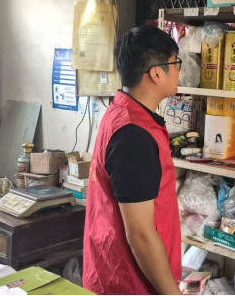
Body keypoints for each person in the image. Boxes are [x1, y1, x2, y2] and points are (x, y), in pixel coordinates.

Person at [83, 25, 183, 295]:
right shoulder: (134, 135)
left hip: (117, 273)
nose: (178, 71)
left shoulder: (122, 112)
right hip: (129, 283)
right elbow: (140, 236)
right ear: (156, 73)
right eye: (175, 63)